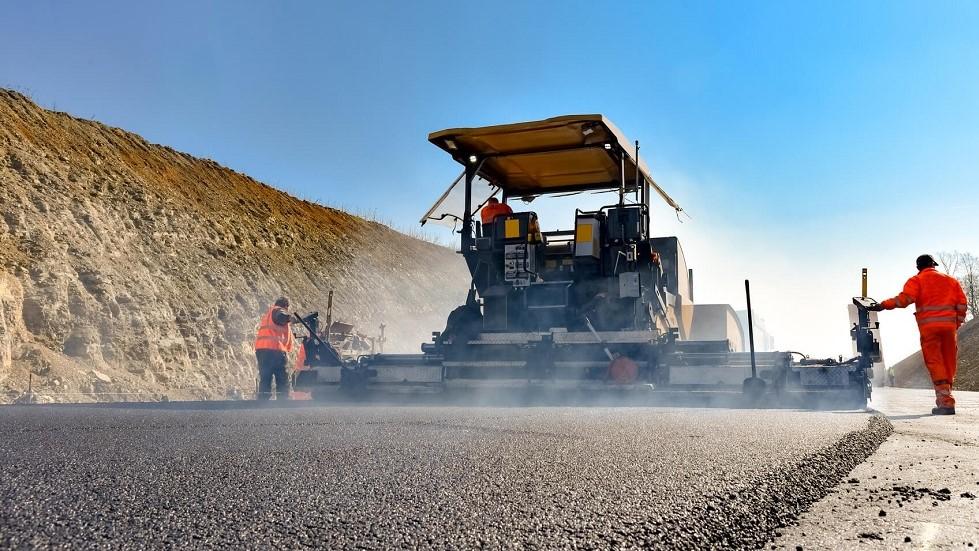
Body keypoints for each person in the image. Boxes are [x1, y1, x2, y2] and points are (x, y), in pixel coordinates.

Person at [871, 254, 968, 415]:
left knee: (935, 362)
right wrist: (956, 323)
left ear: (918, 268)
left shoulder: (916, 280)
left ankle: (946, 402)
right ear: (933, 265)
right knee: (949, 361)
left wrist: (882, 305)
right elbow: (962, 304)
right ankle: (947, 397)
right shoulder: (952, 281)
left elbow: (904, 300)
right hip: (949, 329)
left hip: (929, 329)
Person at [254, 297, 295, 400]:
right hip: (274, 350)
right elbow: (281, 316)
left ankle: (263, 401)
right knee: (281, 376)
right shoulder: (278, 310)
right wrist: (291, 318)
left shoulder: (269, 313)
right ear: (285, 306)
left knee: (265, 376)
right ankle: (282, 401)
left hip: (262, 349)